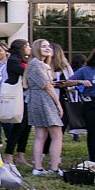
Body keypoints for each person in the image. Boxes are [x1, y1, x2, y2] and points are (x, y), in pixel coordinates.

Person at [27, 39, 65, 176]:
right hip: (44, 100)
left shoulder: (36, 64)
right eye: (44, 46)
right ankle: (54, 168)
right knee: (57, 135)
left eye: (49, 46)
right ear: (37, 48)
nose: (48, 48)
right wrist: (58, 104)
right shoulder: (38, 65)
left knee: (40, 135)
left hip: (35, 99)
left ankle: (38, 167)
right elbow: (47, 86)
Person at [1, 39, 32, 168]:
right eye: (27, 46)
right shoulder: (14, 61)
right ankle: (9, 154)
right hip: (18, 97)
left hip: (25, 97)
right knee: (19, 126)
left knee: (26, 126)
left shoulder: (23, 60)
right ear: (21, 47)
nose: (29, 48)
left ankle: (20, 153)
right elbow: (27, 74)